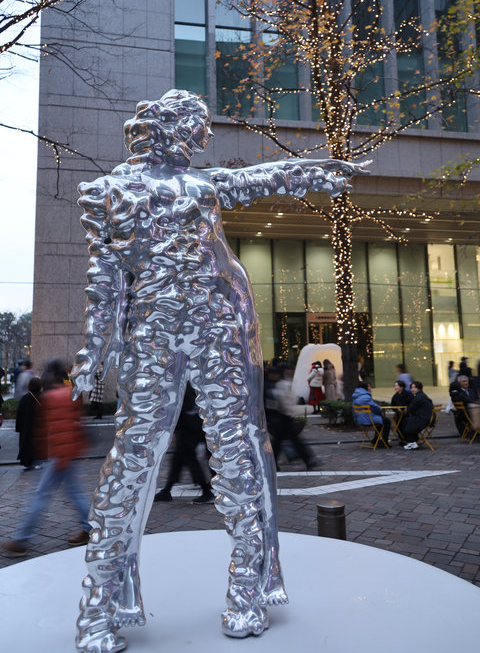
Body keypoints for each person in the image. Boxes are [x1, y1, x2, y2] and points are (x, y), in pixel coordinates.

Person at [70, 89, 364, 649]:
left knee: (237, 449)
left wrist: (314, 172)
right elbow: (104, 279)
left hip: (221, 324)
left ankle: (246, 589)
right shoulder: (108, 192)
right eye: (198, 127)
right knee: (134, 456)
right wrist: (93, 350)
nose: (204, 137)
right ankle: (99, 604)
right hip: (155, 331)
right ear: (174, 129)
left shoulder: (202, 185)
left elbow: (258, 178)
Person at [2, 360, 90, 556]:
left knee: (40, 496)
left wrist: (44, 453)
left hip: (59, 456)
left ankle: (21, 540)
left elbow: (50, 430)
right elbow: (77, 423)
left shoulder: (51, 397)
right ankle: (89, 528)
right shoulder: (71, 393)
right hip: (68, 454)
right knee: (75, 493)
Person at [154, 383, 214, 503]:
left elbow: (176, 406)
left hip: (188, 425)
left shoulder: (177, 385)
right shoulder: (185, 386)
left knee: (188, 458)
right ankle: (167, 490)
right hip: (192, 422)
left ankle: (206, 491)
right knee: (178, 459)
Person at [269, 367, 316, 471]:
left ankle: (308, 460)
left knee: (281, 442)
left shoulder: (280, 383)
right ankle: (308, 460)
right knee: (287, 441)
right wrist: (288, 411)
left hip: (281, 416)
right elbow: (283, 400)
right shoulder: (280, 384)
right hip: (281, 416)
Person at [352, 381, 391, 447]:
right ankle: (385, 441)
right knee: (387, 421)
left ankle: (375, 439)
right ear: (366, 387)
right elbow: (374, 407)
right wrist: (380, 410)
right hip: (367, 419)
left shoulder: (356, 396)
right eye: (369, 386)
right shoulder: (365, 397)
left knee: (380, 421)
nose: (370, 388)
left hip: (360, 419)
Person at [15, 377, 42, 470]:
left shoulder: (25, 398)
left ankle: (27, 463)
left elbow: (19, 414)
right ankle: (38, 462)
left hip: (26, 427)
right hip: (39, 426)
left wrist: (18, 428)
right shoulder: (42, 397)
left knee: (26, 444)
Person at [400, 381, 434, 450]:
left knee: (405, 421)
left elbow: (411, 408)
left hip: (423, 419)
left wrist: (406, 410)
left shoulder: (419, 397)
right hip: (425, 418)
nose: (412, 389)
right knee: (407, 420)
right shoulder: (421, 395)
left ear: (419, 388)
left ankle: (412, 442)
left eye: (415, 387)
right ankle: (412, 441)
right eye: (411, 388)